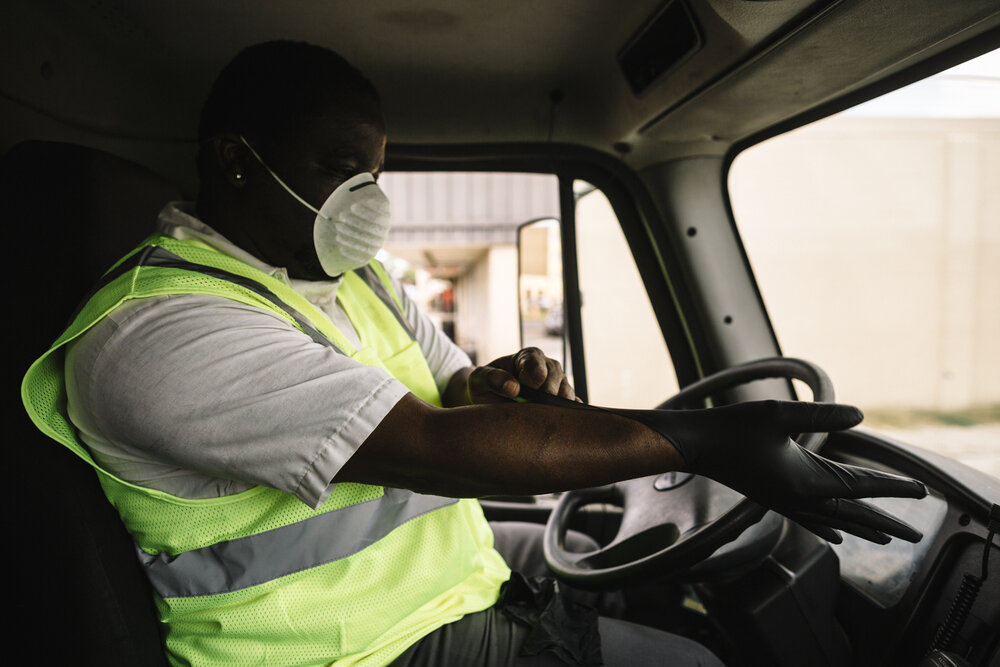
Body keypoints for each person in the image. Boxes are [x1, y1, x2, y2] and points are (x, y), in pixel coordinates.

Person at [21, 41, 927, 667]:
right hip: (350, 648)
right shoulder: (157, 332)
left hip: (433, 593)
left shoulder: (351, 279)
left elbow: (458, 397)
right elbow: (445, 446)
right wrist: (710, 442)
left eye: (374, 172)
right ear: (235, 161)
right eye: (340, 168)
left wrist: (500, 387)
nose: (366, 199)